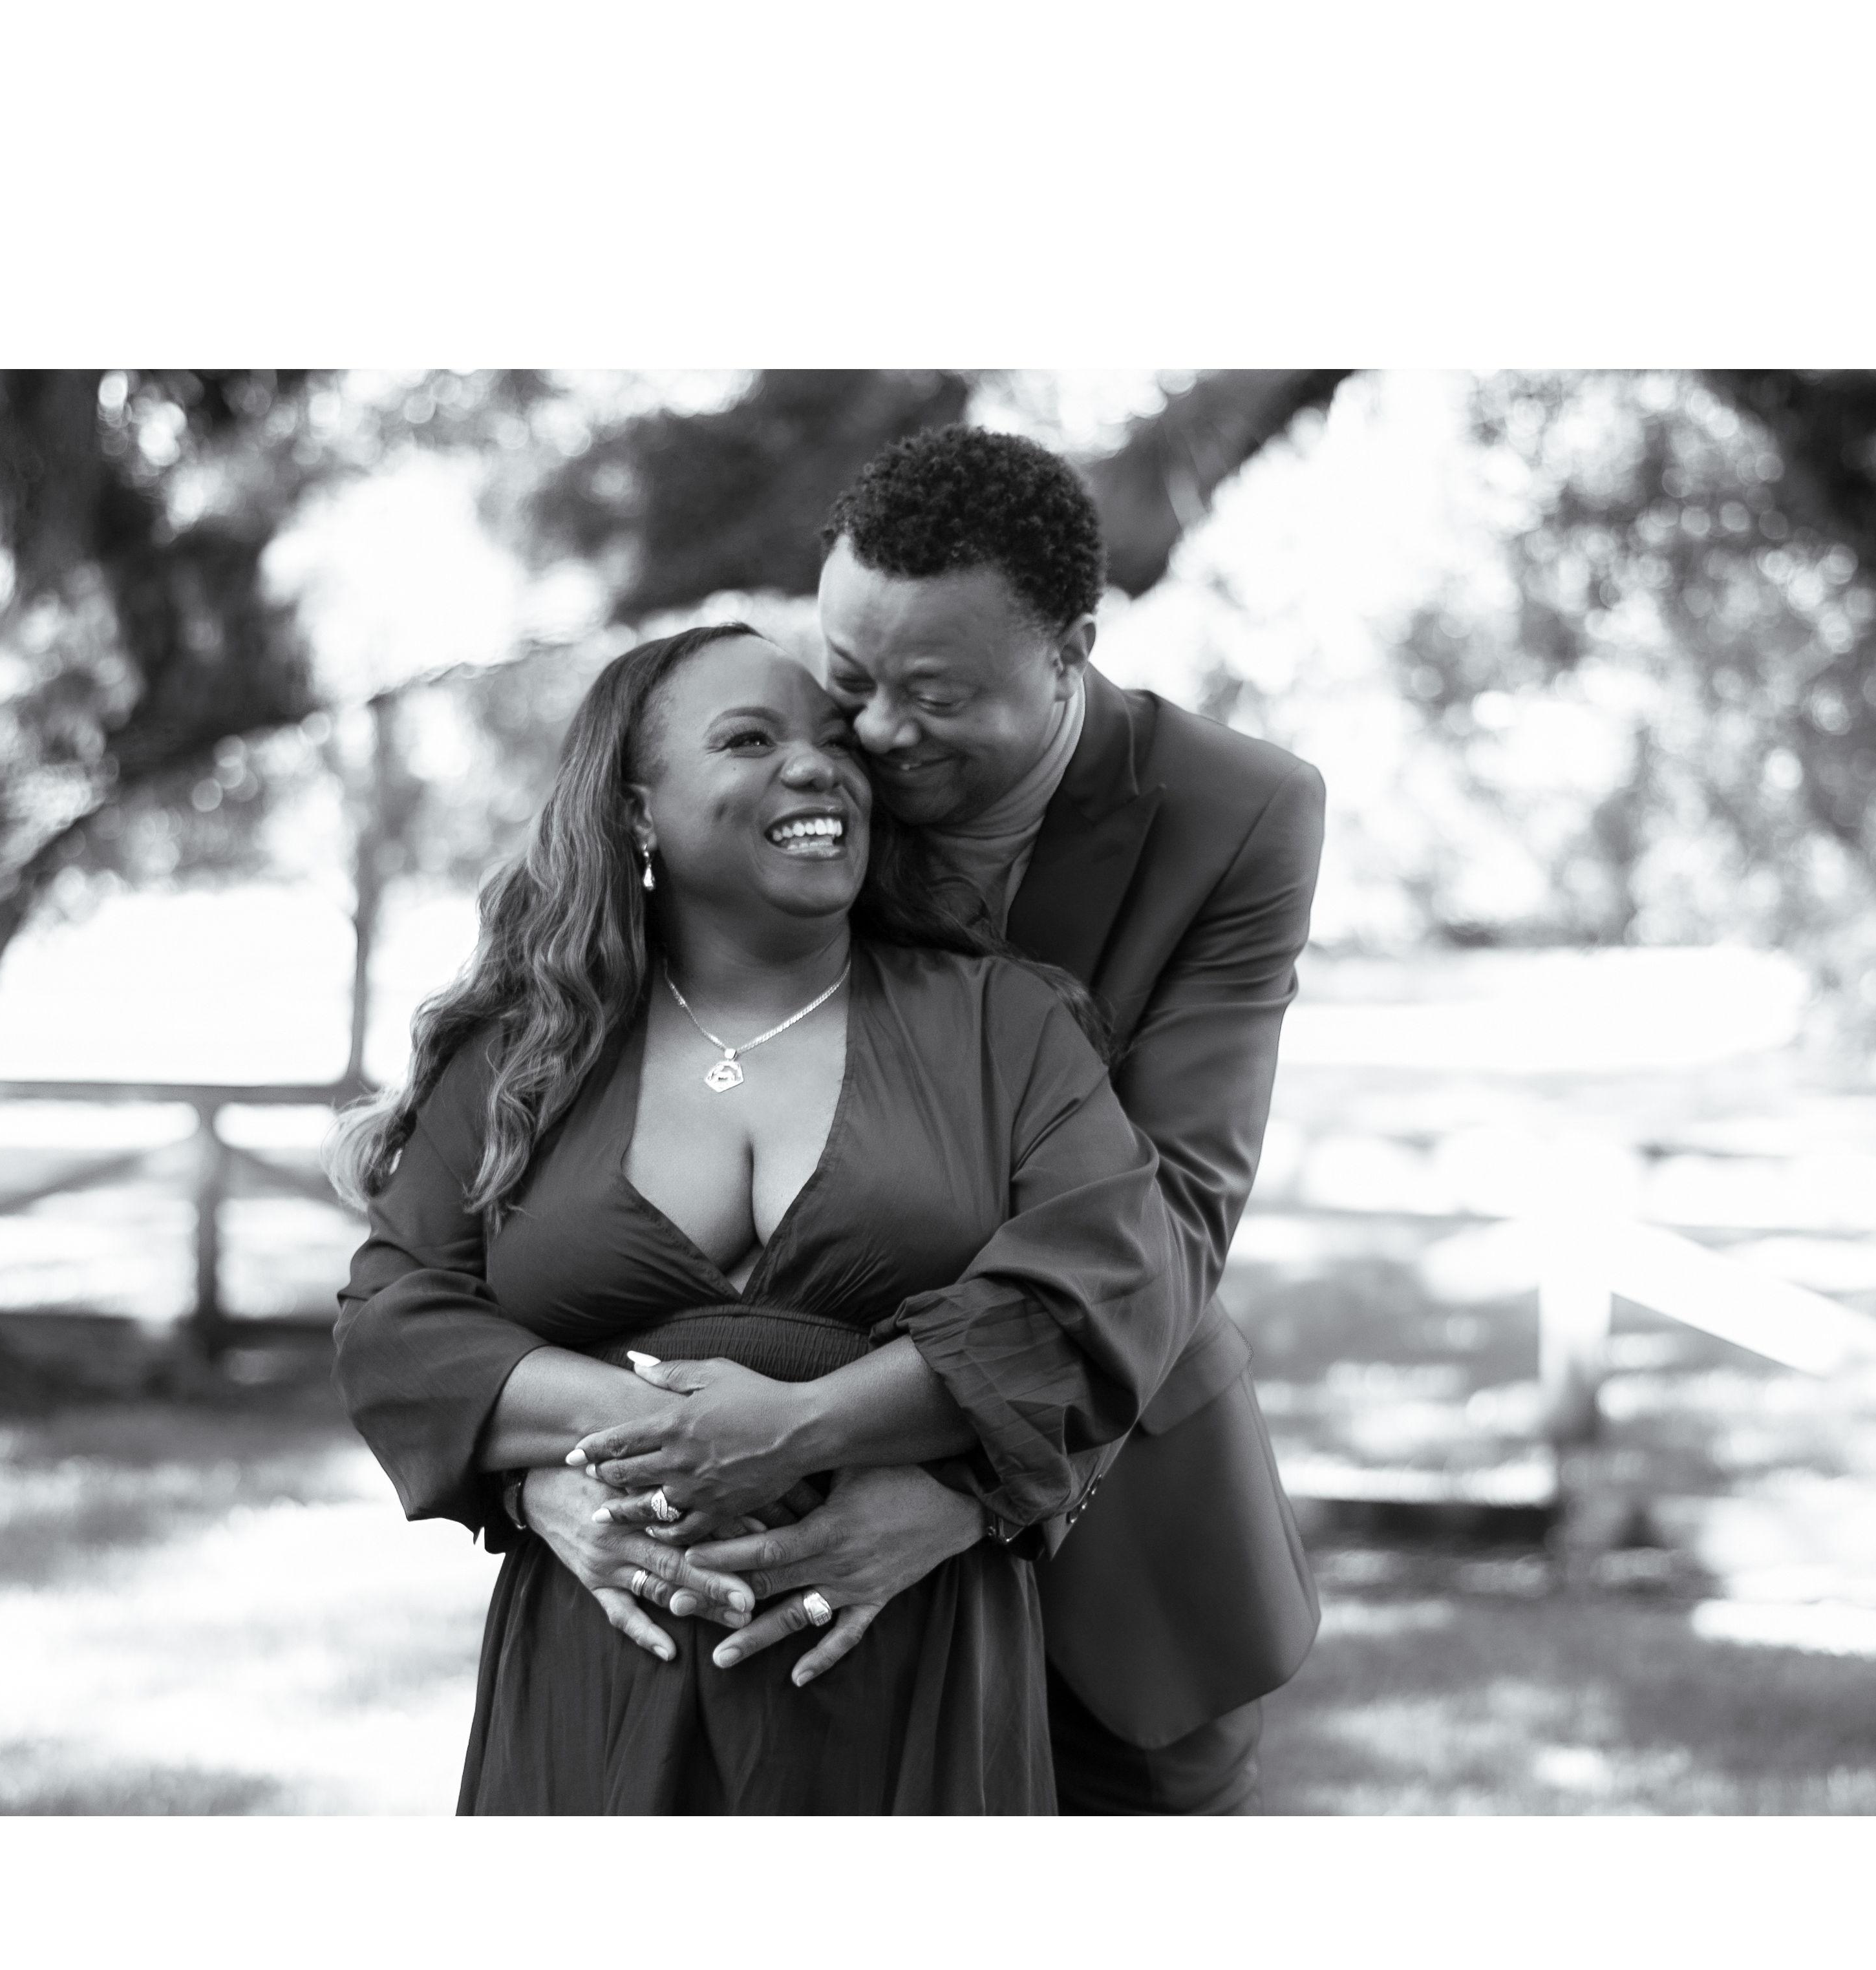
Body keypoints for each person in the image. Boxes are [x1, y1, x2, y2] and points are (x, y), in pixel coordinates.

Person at [329, 622, 1181, 1814]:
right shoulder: (525, 1053)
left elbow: (1102, 1291)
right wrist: (589, 1456)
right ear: (635, 810)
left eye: (835, 741)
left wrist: (805, 1428)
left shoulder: (1002, 1025)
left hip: (909, 1666)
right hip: (595, 1675)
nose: (818, 765)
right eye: (749, 739)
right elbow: (393, 1322)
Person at [657, 426, 1327, 1814]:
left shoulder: (1236, 812)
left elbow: (1171, 1211)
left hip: (1115, 1544)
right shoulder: (782, 776)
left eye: (934, 695)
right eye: (849, 675)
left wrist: (970, 1491)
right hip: (775, 1583)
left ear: (1069, 652)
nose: (872, 735)